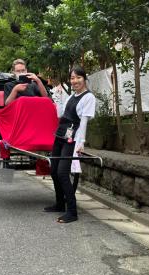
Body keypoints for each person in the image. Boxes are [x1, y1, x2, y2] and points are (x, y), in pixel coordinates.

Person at [44, 66, 96, 223]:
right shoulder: (72, 96)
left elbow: (84, 122)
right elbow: (61, 114)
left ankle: (72, 211)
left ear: (84, 79)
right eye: (72, 78)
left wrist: (81, 143)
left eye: (78, 77)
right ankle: (60, 204)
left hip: (72, 139)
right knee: (53, 170)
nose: (75, 81)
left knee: (62, 173)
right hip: (60, 134)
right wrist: (58, 98)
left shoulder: (88, 98)